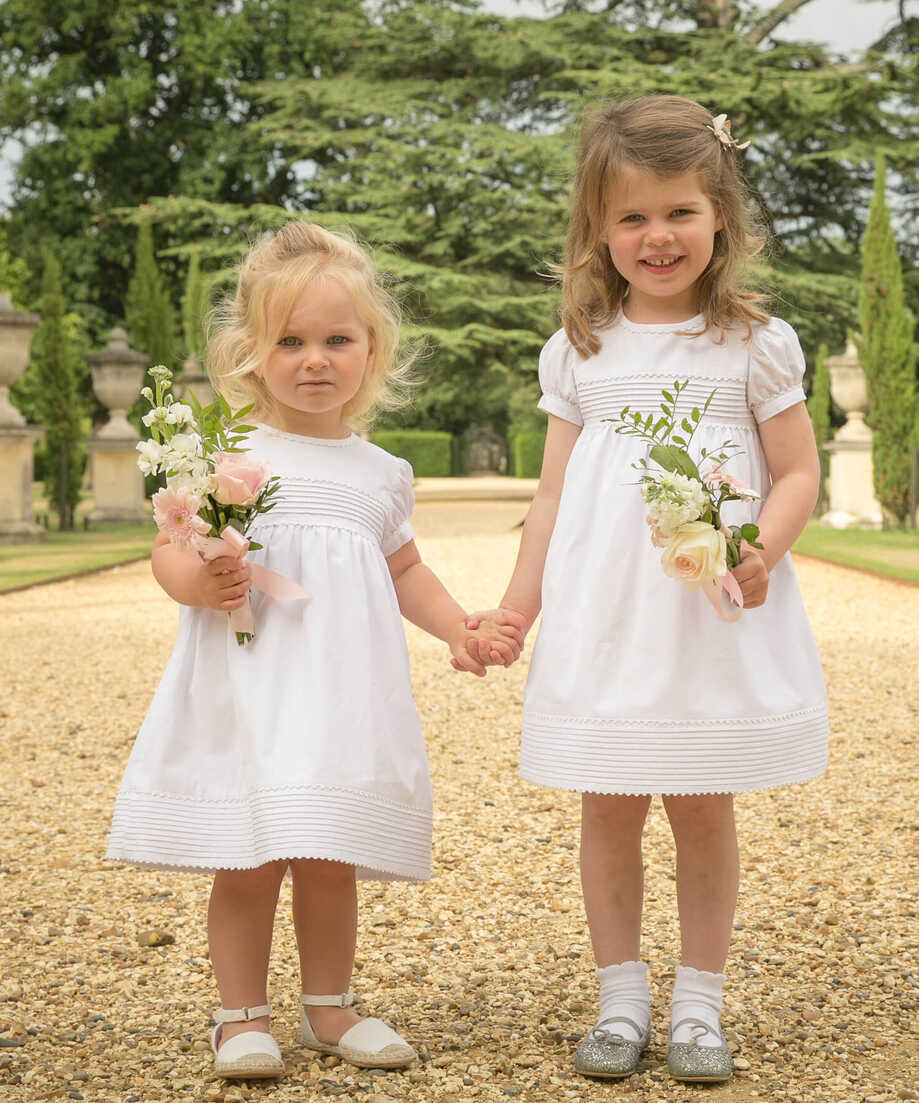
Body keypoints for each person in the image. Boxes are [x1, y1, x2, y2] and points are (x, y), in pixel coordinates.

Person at [464, 96, 828, 1083]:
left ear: (720, 217)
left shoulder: (753, 344)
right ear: (597, 230)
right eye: (630, 218)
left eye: (678, 212)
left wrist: (760, 546)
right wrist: (514, 607)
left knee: (704, 802)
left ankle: (700, 1003)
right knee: (609, 801)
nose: (656, 236)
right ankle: (620, 996)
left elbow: (797, 472)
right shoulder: (580, 350)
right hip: (608, 619)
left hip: (705, 613)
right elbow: (550, 499)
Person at [106, 221, 523, 1081]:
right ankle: (240, 1016)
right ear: (251, 353)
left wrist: (458, 626)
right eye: (288, 341)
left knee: (329, 851)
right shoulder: (223, 453)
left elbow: (403, 566)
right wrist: (198, 582)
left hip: (342, 690)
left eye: (338, 339)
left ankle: (329, 1005)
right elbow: (170, 549)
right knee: (251, 849)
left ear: (374, 350)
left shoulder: (381, 471)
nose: (314, 359)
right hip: (254, 685)